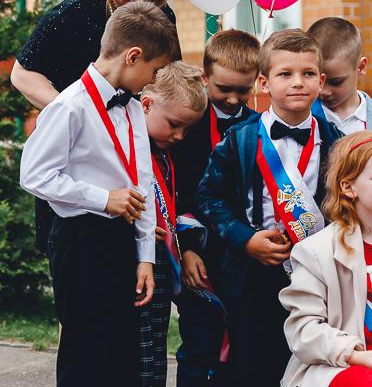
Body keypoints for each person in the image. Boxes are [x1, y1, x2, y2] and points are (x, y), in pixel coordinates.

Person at [20, 1, 180, 387]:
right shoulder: (69, 105)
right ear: (133, 56)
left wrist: (145, 256)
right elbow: (35, 175)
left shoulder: (130, 105)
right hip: (79, 241)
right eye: (154, 71)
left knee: (122, 353)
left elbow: (141, 181)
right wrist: (102, 198)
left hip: (121, 238)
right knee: (85, 353)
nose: (154, 80)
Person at [11, 0, 180, 254]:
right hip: (77, 181)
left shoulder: (165, 19)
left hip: (137, 168)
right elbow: (22, 74)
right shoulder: (70, 14)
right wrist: (77, 115)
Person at [195, 29, 341, 386]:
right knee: (252, 365)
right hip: (252, 276)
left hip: (317, 275)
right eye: (285, 74)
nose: (298, 83)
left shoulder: (336, 141)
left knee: (310, 362)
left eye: (308, 74)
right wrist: (246, 239)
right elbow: (209, 197)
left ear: (321, 81)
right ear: (263, 82)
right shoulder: (240, 138)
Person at [168, 29, 261, 386]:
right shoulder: (186, 126)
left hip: (242, 258)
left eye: (244, 90)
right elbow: (178, 192)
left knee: (242, 348)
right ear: (204, 78)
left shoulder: (258, 128)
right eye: (224, 89)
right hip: (198, 256)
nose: (235, 99)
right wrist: (187, 249)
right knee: (197, 343)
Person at [280, 131, 372, 387]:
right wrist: (359, 356)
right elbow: (304, 330)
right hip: (341, 365)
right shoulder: (317, 251)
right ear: (348, 187)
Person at [137, 62, 207, 387]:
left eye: (186, 129)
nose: (180, 136)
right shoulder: (125, 146)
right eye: (174, 125)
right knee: (132, 354)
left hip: (162, 263)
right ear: (147, 104)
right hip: (131, 264)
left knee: (155, 350)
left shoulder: (166, 152)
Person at [307, 17, 371, 134]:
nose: (324, 91)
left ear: (361, 67)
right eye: (317, 80)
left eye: (336, 82)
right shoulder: (300, 117)